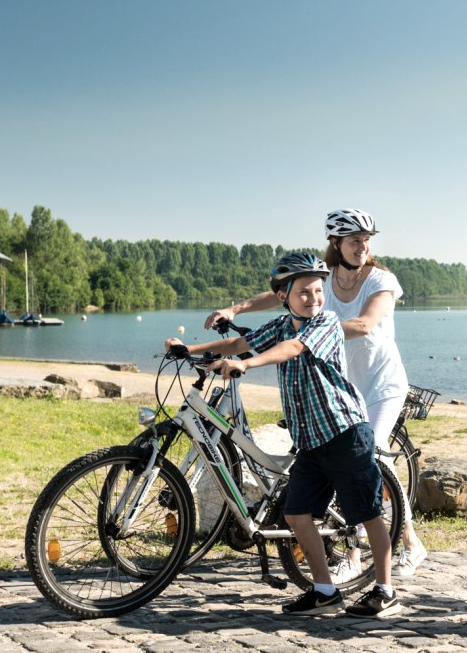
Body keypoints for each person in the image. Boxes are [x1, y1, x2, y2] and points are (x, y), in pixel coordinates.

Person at [170, 251, 400, 618]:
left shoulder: (324, 323)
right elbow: (237, 344)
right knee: (296, 514)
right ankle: (325, 592)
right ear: (283, 297)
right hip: (311, 441)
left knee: (368, 512)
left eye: (317, 291)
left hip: (344, 433)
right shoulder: (280, 325)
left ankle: (385, 590)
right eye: (304, 293)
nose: (314, 299)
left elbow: (290, 350)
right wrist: (189, 349)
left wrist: (245, 364)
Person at [206, 209, 428, 578]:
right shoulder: (323, 281)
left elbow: (364, 324)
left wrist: (307, 333)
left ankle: (405, 545)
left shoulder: (381, 280)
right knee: (341, 469)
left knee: (371, 458)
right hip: (342, 384)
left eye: (367, 240)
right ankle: (356, 556)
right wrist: (236, 307)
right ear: (336, 244)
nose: (363, 246)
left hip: (382, 384)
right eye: (355, 240)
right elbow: (287, 289)